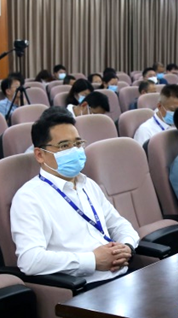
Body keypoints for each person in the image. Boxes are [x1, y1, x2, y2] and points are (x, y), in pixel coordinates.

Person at [10, 107, 139, 288]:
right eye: (64, 146)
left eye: (78, 144)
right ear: (40, 155)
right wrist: (92, 260)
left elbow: (119, 225)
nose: (74, 151)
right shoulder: (29, 198)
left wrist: (127, 247)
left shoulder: (88, 184)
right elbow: (30, 260)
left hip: (122, 275)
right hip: (85, 287)